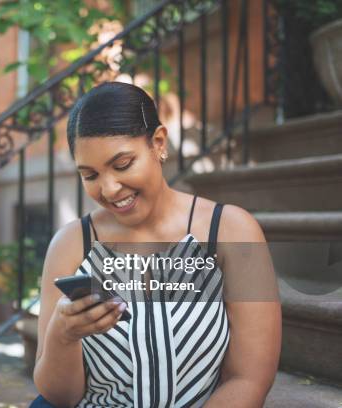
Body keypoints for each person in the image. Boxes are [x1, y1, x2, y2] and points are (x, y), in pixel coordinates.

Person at [31, 82, 281, 407]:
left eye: (122, 165)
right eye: (90, 175)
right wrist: (63, 336)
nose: (108, 189)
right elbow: (58, 397)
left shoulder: (230, 231)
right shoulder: (71, 244)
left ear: (158, 143)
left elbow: (249, 379)